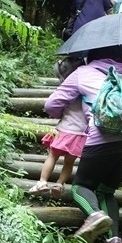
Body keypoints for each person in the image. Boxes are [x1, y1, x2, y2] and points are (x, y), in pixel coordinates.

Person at [44, 46, 122, 243]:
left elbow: (51, 105)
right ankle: (114, 241)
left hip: (99, 140)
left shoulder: (82, 73)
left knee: (80, 187)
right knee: (105, 190)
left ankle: (94, 215)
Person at [28, 58, 87, 198]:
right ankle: (59, 184)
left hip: (64, 130)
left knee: (52, 156)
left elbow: (56, 106)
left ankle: (42, 182)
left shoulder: (68, 91)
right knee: (69, 163)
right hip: (80, 134)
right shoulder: (86, 92)